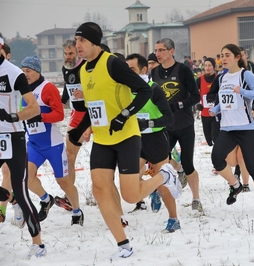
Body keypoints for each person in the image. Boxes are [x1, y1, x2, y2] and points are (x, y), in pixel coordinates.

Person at [69, 22, 181, 259]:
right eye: (76, 41)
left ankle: (165, 175)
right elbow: (94, 107)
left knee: (131, 195)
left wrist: (124, 115)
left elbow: (144, 91)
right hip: (102, 138)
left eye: (82, 41)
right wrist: (79, 129)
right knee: (100, 190)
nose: (77, 46)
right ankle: (124, 244)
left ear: (95, 43)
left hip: (127, 136)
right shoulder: (82, 70)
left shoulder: (112, 63)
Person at [19, 55, 84, 226]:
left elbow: (60, 114)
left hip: (52, 145)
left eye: (28, 71)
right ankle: (46, 199)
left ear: (37, 71)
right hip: (33, 143)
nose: (25, 74)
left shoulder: (48, 88)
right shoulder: (23, 90)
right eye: (23, 71)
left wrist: (41, 117)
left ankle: (77, 212)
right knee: (26, 176)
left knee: (64, 182)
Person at [209, 43, 254, 213]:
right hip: (228, 128)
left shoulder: (246, 75)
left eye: (227, 55)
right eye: (222, 55)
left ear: (237, 57)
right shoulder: (222, 78)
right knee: (217, 159)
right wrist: (215, 109)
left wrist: (243, 91)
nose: (224, 58)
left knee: (252, 168)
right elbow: (225, 99)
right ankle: (235, 185)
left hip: (247, 128)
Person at [0, 37, 46, 258]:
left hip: (13, 135)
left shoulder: (14, 73)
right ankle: (4, 194)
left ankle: (38, 243)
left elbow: (34, 108)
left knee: (21, 190)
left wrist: (13, 116)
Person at [125, 53, 179, 232]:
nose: (128, 73)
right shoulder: (125, 90)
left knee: (164, 186)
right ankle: (152, 188)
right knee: (131, 179)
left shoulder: (153, 89)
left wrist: (148, 123)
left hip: (157, 141)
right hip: (137, 142)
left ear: (144, 70)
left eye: (132, 69)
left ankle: (173, 219)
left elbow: (170, 119)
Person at [151, 38, 202, 212]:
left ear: (171, 51)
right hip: (165, 126)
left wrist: (178, 104)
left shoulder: (183, 70)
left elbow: (196, 96)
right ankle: (160, 189)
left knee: (188, 163)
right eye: (156, 50)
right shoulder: (155, 73)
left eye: (161, 50)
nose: (158, 54)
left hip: (184, 124)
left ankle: (196, 198)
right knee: (160, 161)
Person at [55, 39, 89, 211]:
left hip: (93, 113)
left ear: (77, 52)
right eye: (66, 54)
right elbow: (67, 89)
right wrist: (60, 103)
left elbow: (99, 87)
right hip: (77, 113)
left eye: (71, 54)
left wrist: (85, 93)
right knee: (69, 155)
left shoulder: (87, 66)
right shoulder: (65, 68)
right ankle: (69, 196)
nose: (68, 57)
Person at [0, 41, 13, 223]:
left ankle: (3, 209)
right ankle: (13, 198)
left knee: (7, 171)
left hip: (9, 131)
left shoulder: (13, 74)